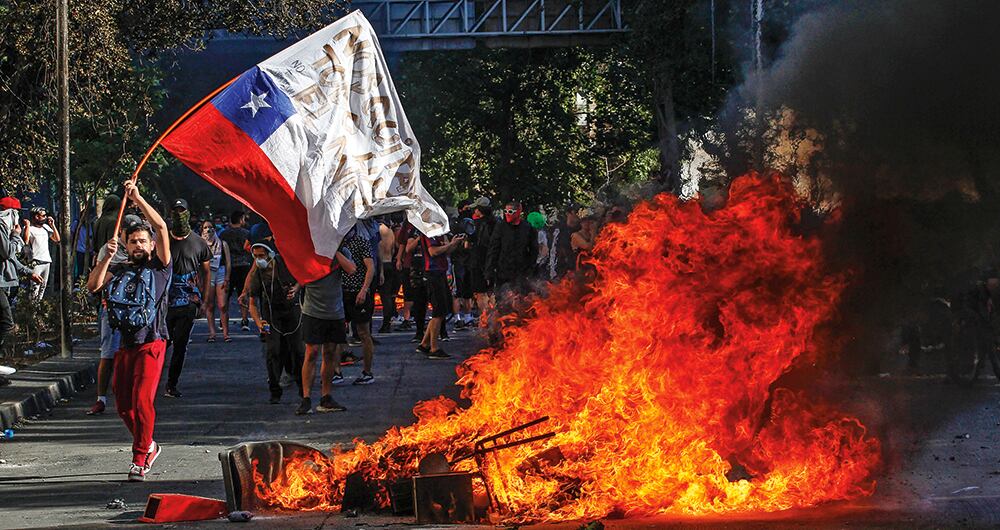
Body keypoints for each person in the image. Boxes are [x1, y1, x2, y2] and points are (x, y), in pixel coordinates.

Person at [86, 181, 171, 482]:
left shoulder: (160, 268)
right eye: (132, 241)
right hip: (125, 344)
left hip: (152, 343)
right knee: (123, 406)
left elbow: (161, 227)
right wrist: (106, 257)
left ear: (151, 245)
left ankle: (139, 459)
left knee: (143, 401)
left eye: (142, 241)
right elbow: (93, 286)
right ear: (125, 243)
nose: (138, 245)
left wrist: (138, 197)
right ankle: (149, 444)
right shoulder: (119, 269)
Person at [87, 214, 142, 416]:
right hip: (112, 307)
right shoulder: (108, 249)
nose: (134, 239)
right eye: (129, 233)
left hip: (137, 309)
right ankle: (101, 398)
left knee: (137, 353)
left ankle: (135, 396)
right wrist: (108, 258)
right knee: (108, 353)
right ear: (121, 232)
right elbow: (95, 283)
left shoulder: (142, 248)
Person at [297, 249, 356, 415]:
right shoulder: (310, 251)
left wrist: (334, 250)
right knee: (311, 352)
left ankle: (326, 397)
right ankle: (306, 398)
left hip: (334, 311)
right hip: (313, 311)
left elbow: (351, 269)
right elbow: (301, 273)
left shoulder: (342, 251)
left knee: (330, 353)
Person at [246, 241, 304, 404]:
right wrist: (258, 322)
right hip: (271, 314)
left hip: (292, 311)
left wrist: (296, 289)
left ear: (270, 254)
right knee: (273, 351)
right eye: (256, 256)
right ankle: (275, 390)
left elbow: (302, 277)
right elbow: (252, 303)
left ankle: (303, 388)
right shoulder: (258, 273)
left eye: (262, 256)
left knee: (298, 350)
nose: (259, 259)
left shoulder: (285, 264)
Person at [164, 199, 211, 398]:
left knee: (180, 344)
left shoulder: (199, 242)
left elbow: (206, 272)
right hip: (164, 302)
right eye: (175, 211)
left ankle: (171, 384)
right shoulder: (163, 240)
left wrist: (205, 300)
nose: (178, 215)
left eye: (181, 211)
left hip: (188, 301)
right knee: (161, 343)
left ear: (188, 214)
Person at [1, 197, 42, 352]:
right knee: (7, 323)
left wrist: (28, 272)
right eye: (16, 213)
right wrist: (16, 235)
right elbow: (8, 252)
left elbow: (11, 259)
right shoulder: (2, 228)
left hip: (5, 281)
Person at [416, 232, 464, 360]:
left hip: (440, 273)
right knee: (439, 311)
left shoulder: (439, 233)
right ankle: (434, 348)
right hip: (433, 274)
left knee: (442, 310)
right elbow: (433, 252)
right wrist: (450, 244)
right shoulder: (429, 232)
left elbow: (445, 251)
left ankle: (424, 344)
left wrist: (454, 243)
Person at [341, 226, 376, 385]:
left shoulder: (361, 242)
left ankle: (367, 372)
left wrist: (363, 290)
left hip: (358, 293)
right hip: (342, 293)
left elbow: (370, 267)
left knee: (363, 332)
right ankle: (336, 371)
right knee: (338, 333)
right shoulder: (337, 243)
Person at [485, 201, 537, 295]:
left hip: (521, 273)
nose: (507, 214)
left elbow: (534, 250)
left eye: (510, 212)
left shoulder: (528, 228)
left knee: (520, 299)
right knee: (503, 299)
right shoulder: (500, 227)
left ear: (518, 212)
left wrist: (530, 269)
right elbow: (493, 249)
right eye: (505, 211)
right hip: (503, 273)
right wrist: (489, 272)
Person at [201, 220, 231, 343]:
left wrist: (227, 278)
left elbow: (228, 262)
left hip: (220, 272)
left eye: (210, 227)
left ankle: (226, 333)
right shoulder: (201, 244)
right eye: (205, 227)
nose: (208, 230)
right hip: (208, 274)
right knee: (210, 305)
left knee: (222, 305)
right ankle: (212, 333)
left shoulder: (222, 244)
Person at [221, 211, 252, 331]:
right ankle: (244, 319)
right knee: (243, 293)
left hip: (229, 266)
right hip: (244, 265)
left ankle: (223, 320)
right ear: (241, 219)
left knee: (226, 295)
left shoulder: (224, 234)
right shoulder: (247, 233)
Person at [22, 206, 61, 300]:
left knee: (43, 287)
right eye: (43, 215)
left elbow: (57, 239)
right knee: (34, 288)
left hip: (46, 260)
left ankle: (39, 306)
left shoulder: (46, 227)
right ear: (36, 216)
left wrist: (52, 225)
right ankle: (32, 307)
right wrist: (27, 226)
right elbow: (25, 241)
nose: (45, 217)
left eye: (45, 215)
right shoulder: (29, 228)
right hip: (35, 261)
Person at [467, 198, 495, 324]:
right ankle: (494, 318)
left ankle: (485, 320)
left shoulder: (474, 225)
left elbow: (467, 245)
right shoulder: (497, 223)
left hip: (478, 262)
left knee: (480, 293)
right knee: (492, 291)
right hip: (493, 261)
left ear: (479, 210)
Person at [376, 218, 398, 334]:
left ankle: (382, 325)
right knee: (387, 296)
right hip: (389, 262)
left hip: (381, 264)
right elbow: (393, 249)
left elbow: (378, 249)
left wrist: (380, 270)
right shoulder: (390, 231)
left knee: (375, 296)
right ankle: (387, 323)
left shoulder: (377, 229)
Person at [549, 203, 581, 280]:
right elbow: (553, 251)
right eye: (575, 212)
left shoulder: (581, 230)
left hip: (577, 272)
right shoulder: (559, 229)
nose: (578, 215)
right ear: (567, 213)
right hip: (560, 271)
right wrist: (553, 273)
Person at [526, 211, 549, 278]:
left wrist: (538, 262)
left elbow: (544, 249)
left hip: (537, 264)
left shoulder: (539, 234)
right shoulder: (541, 233)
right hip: (537, 263)